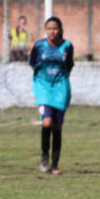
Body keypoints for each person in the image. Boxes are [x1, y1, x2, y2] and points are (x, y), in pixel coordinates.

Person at [29, 17, 74, 176]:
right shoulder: (39, 46)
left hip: (60, 90)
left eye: (55, 28)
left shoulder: (67, 46)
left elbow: (69, 66)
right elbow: (33, 64)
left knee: (57, 126)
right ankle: (44, 156)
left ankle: (55, 165)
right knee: (47, 122)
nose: (52, 32)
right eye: (49, 28)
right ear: (45, 29)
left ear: (60, 29)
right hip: (43, 89)